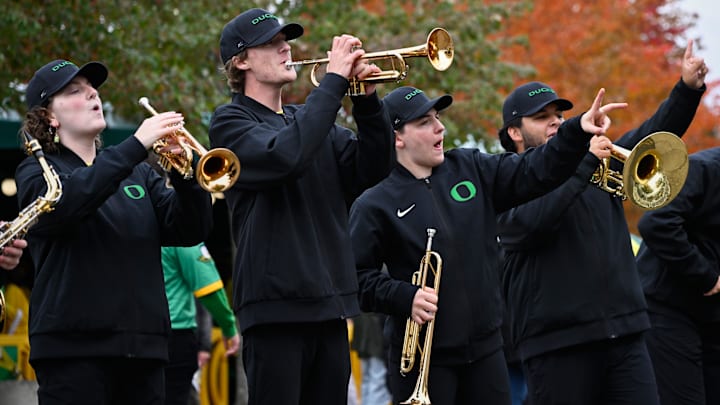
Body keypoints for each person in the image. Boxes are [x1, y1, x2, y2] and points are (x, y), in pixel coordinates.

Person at [349, 84, 624, 405]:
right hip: (425, 362)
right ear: (397, 137)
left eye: (437, 117)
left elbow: (535, 169)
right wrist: (402, 296)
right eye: (424, 122)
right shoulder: (374, 202)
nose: (440, 127)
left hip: (487, 353)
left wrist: (577, 130)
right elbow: (356, 277)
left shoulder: (471, 166)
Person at [496, 41, 707, 405]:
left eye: (559, 115)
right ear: (515, 132)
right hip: (557, 342)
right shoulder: (505, 179)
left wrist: (686, 89)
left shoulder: (596, 165)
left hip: (626, 333)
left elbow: (654, 134)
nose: (556, 122)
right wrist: (583, 165)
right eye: (542, 117)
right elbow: (528, 226)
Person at [207, 8, 393, 405]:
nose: (285, 48)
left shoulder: (305, 118)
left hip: (329, 305)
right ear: (241, 61)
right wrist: (332, 83)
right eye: (271, 43)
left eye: (285, 40)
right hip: (274, 308)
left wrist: (367, 101)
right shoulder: (230, 122)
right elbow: (285, 156)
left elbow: (373, 167)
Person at [14, 58, 213, 404]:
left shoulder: (139, 174)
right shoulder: (36, 171)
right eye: (75, 91)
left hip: (144, 350)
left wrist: (187, 178)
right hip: (71, 352)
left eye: (93, 89)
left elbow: (189, 229)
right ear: (50, 117)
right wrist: (136, 146)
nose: (92, 94)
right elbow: (68, 204)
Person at [635, 145, 720, 405]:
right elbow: (656, 222)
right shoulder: (702, 167)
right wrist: (705, 276)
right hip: (667, 309)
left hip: (711, 315)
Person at [162, 242, 240, 405]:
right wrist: (229, 326)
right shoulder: (180, 234)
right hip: (176, 333)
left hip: (130, 334)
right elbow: (208, 288)